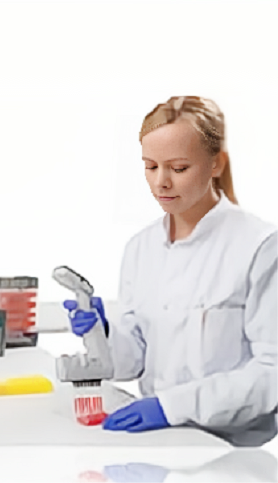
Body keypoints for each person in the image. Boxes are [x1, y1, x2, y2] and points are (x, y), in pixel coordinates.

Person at [64, 96, 278, 447]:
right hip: (159, 442)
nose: (161, 182)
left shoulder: (260, 246)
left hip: (230, 451)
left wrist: (171, 407)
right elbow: (136, 358)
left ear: (216, 164)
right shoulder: (141, 247)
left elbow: (272, 372)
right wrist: (104, 334)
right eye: (151, 167)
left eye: (178, 168)